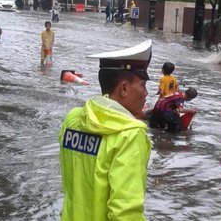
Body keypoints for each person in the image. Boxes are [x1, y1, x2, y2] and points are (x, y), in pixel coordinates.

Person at [58, 40, 152, 221]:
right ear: (124, 88)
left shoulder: (73, 120)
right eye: (143, 85)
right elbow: (125, 213)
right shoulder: (130, 135)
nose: (146, 93)